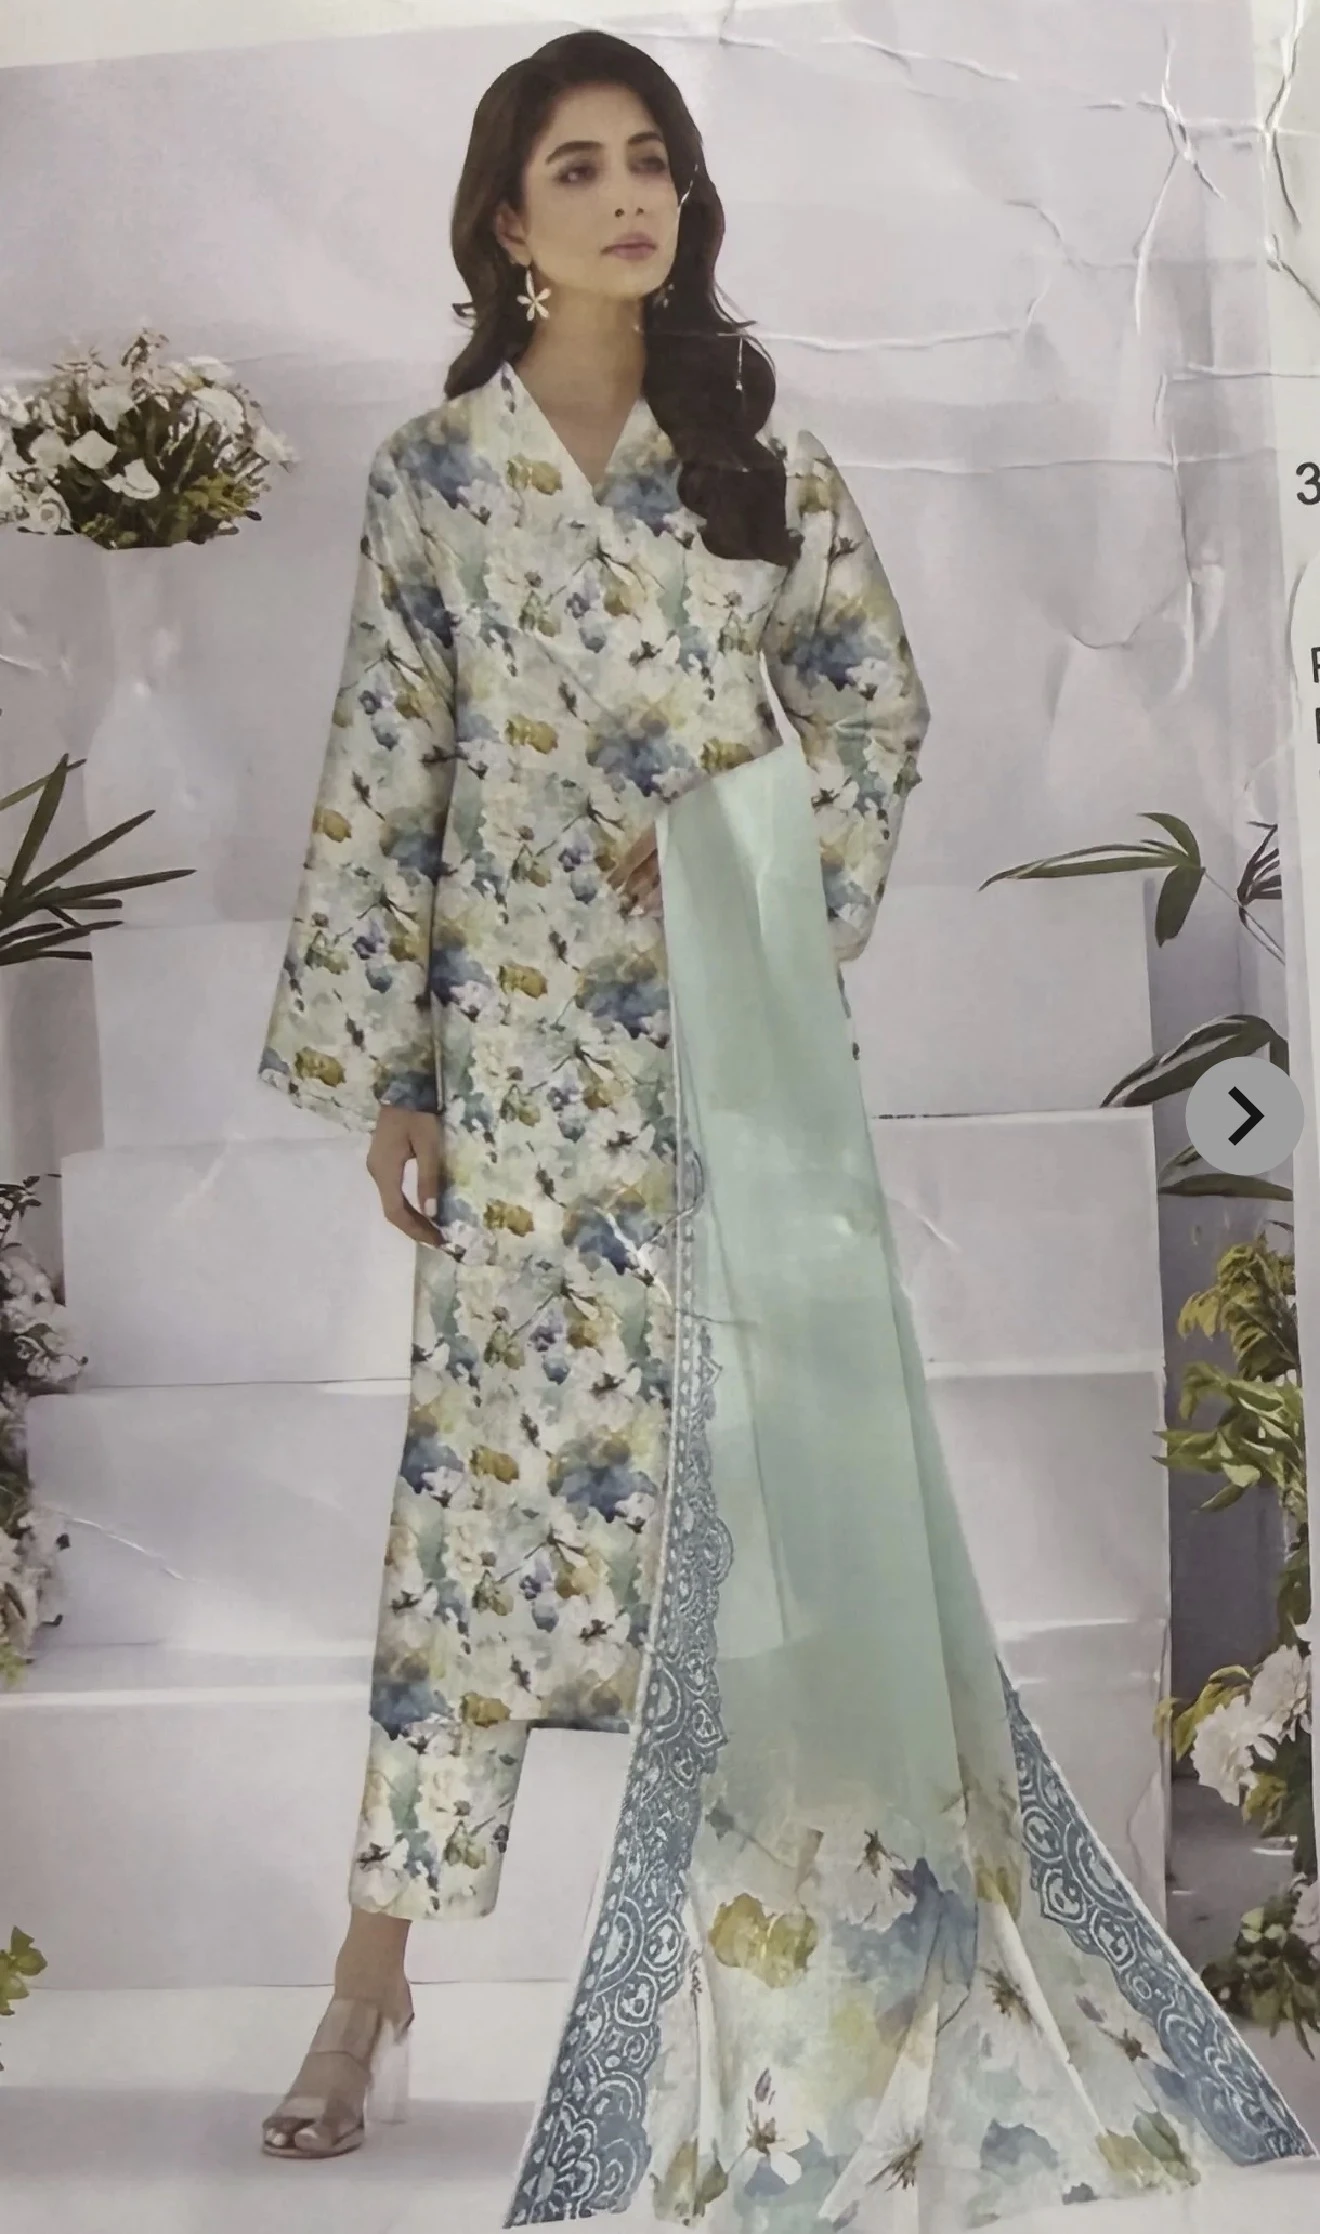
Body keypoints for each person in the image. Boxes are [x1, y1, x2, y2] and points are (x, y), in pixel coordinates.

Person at [254, 28, 1317, 2230]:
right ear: (506, 218)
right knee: (481, 1527)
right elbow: (384, 767)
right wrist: (399, 1075)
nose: (629, 195)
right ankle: (368, 1980)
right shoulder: (437, 478)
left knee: (772, 1516)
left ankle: (824, 1972)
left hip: (735, 1055)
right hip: (524, 1071)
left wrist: (734, 840)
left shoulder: (755, 459)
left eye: (653, 158)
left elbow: (873, 708)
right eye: (578, 165)